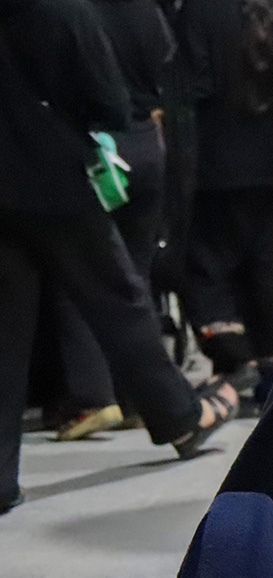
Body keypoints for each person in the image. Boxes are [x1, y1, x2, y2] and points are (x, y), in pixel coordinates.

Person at [0, 0, 238, 515]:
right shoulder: (59, 10)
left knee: (7, 330)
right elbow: (107, 99)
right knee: (118, 300)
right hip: (56, 179)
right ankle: (180, 416)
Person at [46, 0, 177, 441]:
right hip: (147, 142)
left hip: (99, 150)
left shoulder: (75, 12)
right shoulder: (145, 9)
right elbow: (166, 63)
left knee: (81, 272)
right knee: (135, 278)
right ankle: (141, 397)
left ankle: (92, 395)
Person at [180, 0, 273, 393]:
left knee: (210, 267)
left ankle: (231, 356)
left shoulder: (200, 12)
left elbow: (189, 91)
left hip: (214, 166)